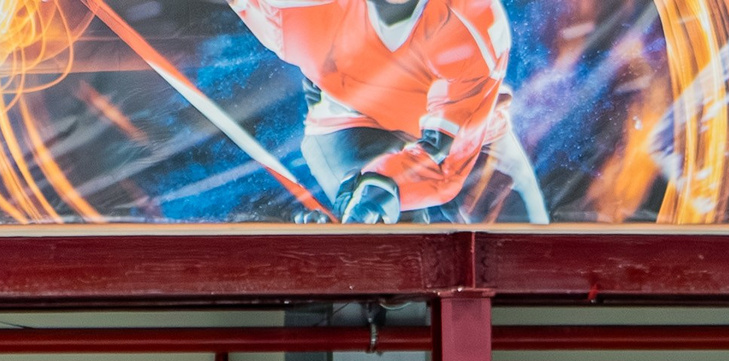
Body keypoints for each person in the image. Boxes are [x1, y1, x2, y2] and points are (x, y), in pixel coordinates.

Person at [226, 0, 549, 224]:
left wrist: (384, 185)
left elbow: (448, 160)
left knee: (530, 249)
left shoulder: (472, 23)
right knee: (391, 240)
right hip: (350, 118)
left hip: (470, 130)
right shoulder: (293, 13)